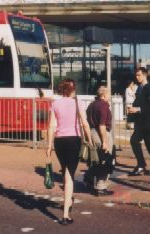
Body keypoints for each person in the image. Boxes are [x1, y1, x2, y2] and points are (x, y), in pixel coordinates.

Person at [46, 79, 92, 225]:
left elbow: (51, 126)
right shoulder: (78, 103)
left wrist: (48, 145)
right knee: (69, 176)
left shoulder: (55, 103)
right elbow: (84, 123)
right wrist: (89, 139)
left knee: (66, 170)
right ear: (72, 89)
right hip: (74, 140)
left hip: (59, 141)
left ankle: (68, 198)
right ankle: (65, 215)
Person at [127, 67, 150, 176]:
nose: (137, 77)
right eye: (136, 75)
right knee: (135, 141)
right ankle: (142, 165)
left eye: (139, 75)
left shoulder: (148, 88)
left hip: (148, 123)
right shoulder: (139, 88)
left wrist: (137, 109)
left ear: (144, 75)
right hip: (141, 122)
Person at [85, 86, 114, 196]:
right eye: (109, 94)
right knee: (105, 160)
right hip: (101, 134)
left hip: (92, 133)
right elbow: (102, 125)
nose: (110, 96)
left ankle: (88, 178)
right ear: (104, 95)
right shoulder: (104, 106)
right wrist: (105, 142)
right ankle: (100, 186)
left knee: (96, 159)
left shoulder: (92, 104)